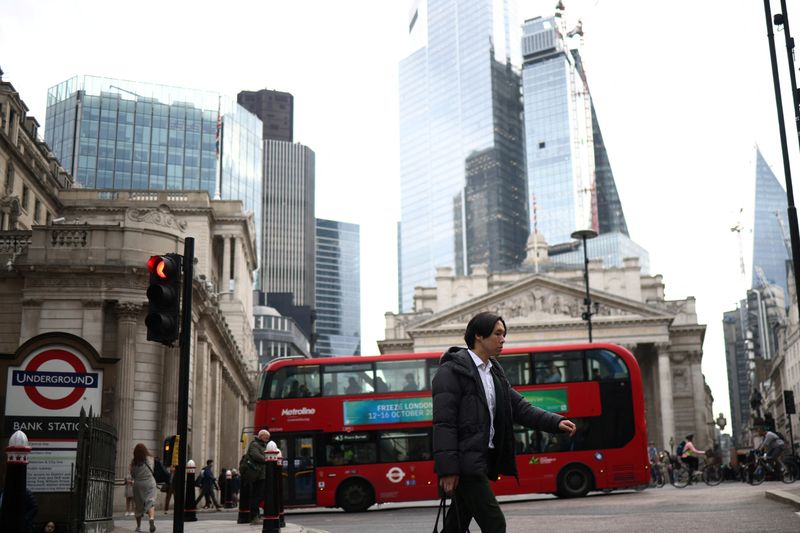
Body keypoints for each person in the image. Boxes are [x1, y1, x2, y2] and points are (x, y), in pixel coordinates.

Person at [433, 311, 576, 533]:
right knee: (495, 524)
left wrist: (555, 423)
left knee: (455, 525)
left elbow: (520, 407)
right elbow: (445, 424)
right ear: (479, 335)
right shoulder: (451, 372)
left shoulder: (494, 371)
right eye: (497, 333)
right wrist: (448, 470)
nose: (503, 339)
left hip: (482, 459)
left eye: (504, 334)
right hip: (466, 463)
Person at [130, 443, 158, 533]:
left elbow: (133, 475)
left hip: (138, 484)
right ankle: (151, 518)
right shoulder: (150, 459)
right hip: (150, 482)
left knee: (138, 506)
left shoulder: (134, 463)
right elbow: (153, 470)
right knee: (151, 502)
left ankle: (139, 527)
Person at [245, 429, 270, 524]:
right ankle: (254, 517)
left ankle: (257, 515)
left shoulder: (263, 445)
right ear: (261, 436)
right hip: (257, 475)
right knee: (256, 496)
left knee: (260, 496)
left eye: (268, 437)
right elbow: (256, 456)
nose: (267, 439)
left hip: (262, 474)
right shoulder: (255, 444)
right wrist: (268, 459)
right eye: (266, 436)